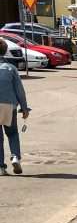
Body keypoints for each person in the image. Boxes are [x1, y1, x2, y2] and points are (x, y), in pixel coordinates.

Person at [0, 38, 29, 175]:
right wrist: (24, 108)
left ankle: (1, 167)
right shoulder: (11, 69)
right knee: (12, 133)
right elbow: (19, 91)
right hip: (9, 106)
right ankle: (15, 157)